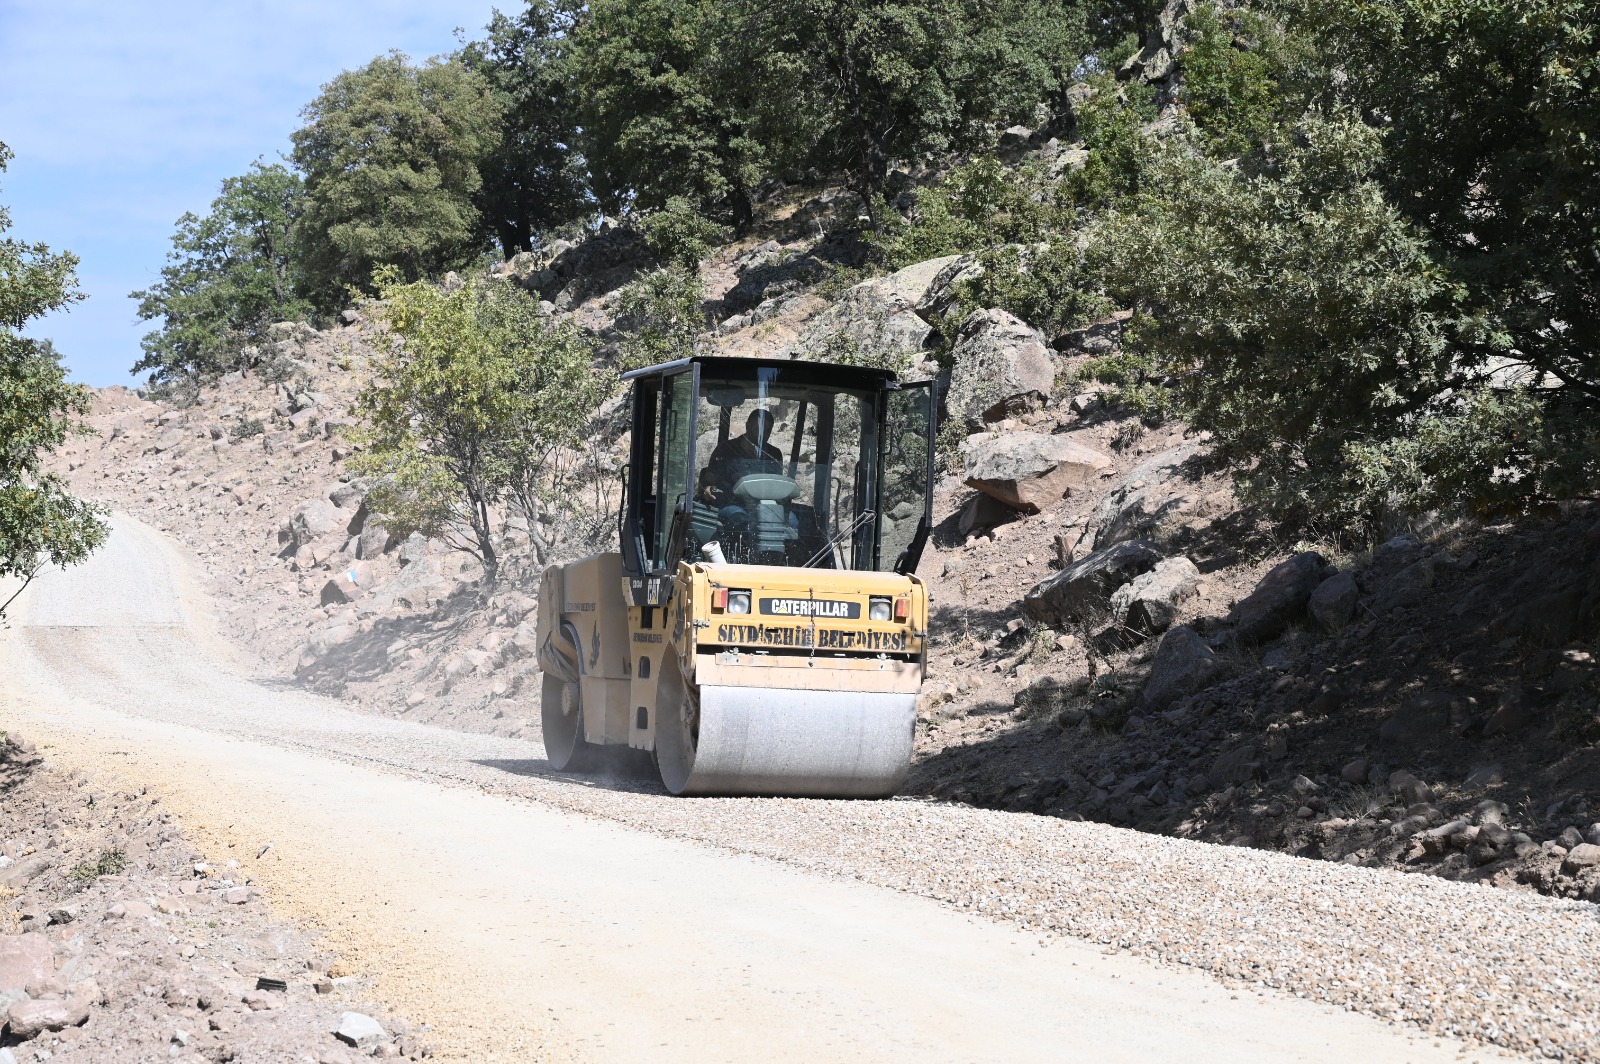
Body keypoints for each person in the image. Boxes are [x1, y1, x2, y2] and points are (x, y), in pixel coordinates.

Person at [698, 409, 783, 539]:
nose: (762, 435)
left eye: (767, 431)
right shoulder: (725, 449)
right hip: (732, 504)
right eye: (758, 429)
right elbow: (709, 481)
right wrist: (708, 488)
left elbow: (778, 486)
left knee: (792, 522)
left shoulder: (774, 455)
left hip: (766, 506)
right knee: (739, 519)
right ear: (747, 425)